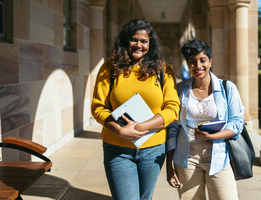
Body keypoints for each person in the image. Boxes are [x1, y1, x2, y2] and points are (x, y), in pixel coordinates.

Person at [91, 19, 180, 200]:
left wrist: (141, 127)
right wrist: (120, 130)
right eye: (134, 39)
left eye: (144, 41)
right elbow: (98, 107)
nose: (138, 45)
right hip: (117, 149)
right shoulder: (109, 68)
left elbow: (173, 108)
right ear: (125, 40)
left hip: (153, 149)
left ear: (150, 43)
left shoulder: (164, 70)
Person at [166, 39, 245, 200]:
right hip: (186, 158)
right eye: (192, 62)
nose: (198, 66)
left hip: (219, 157)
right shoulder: (181, 90)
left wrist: (211, 136)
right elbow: (173, 129)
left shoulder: (227, 88)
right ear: (188, 65)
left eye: (202, 60)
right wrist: (169, 167)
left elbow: (237, 124)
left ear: (210, 61)